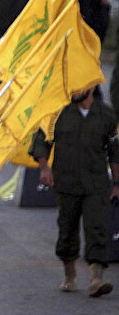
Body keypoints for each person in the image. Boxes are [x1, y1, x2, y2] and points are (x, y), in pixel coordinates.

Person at [31, 86, 118, 297]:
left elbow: (115, 152)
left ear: (91, 88)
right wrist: (44, 168)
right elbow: (42, 141)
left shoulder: (106, 115)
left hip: (96, 184)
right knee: (67, 229)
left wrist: (116, 183)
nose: (74, 90)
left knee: (96, 228)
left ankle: (96, 278)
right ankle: (69, 275)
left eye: (80, 86)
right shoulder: (58, 113)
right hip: (66, 183)